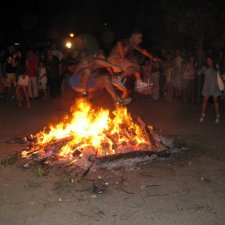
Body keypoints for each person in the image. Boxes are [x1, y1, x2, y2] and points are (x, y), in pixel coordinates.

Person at [198, 56, 221, 123]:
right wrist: (199, 71)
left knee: (215, 102)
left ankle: (217, 115)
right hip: (207, 87)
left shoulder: (216, 67)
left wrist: (218, 69)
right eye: (207, 60)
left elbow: (219, 75)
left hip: (214, 87)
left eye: (210, 60)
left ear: (212, 61)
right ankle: (202, 115)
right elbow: (199, 72)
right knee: (205, 102)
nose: (208, 61)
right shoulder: (204, 68)